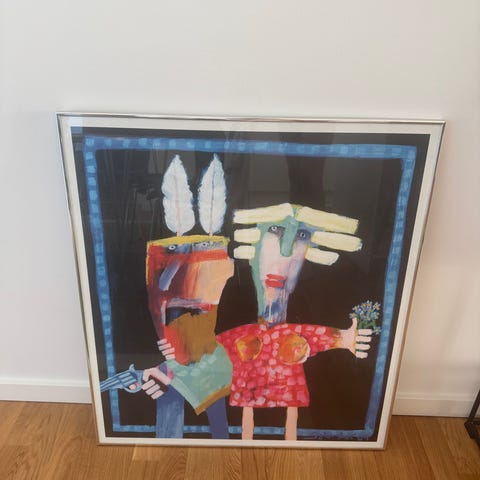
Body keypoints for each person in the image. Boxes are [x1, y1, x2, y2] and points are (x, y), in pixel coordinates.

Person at [216, 203, 373, 440]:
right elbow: (217, 344)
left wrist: (344, 338)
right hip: (250, 378)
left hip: (285, 376)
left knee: (290, 413)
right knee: (250, 412)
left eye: (301, 235)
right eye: (275, 230)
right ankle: (248, 444)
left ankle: (291, 444)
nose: (286, 250)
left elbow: (309, 336)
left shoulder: (311, 300)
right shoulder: (234, 293)